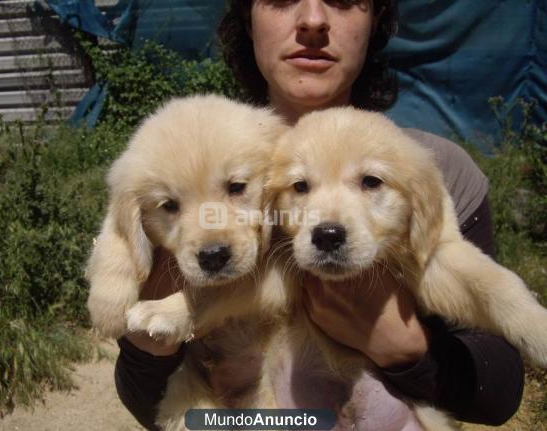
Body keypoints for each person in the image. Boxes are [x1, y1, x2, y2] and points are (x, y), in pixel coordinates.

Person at [114, 1, 525, 429]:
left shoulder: (433, 168)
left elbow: (500, 393)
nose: (312, 20)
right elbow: (148, 400)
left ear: (376, 21)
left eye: (345, 0)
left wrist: (405, 349)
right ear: (248, 21)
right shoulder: (181, 170)